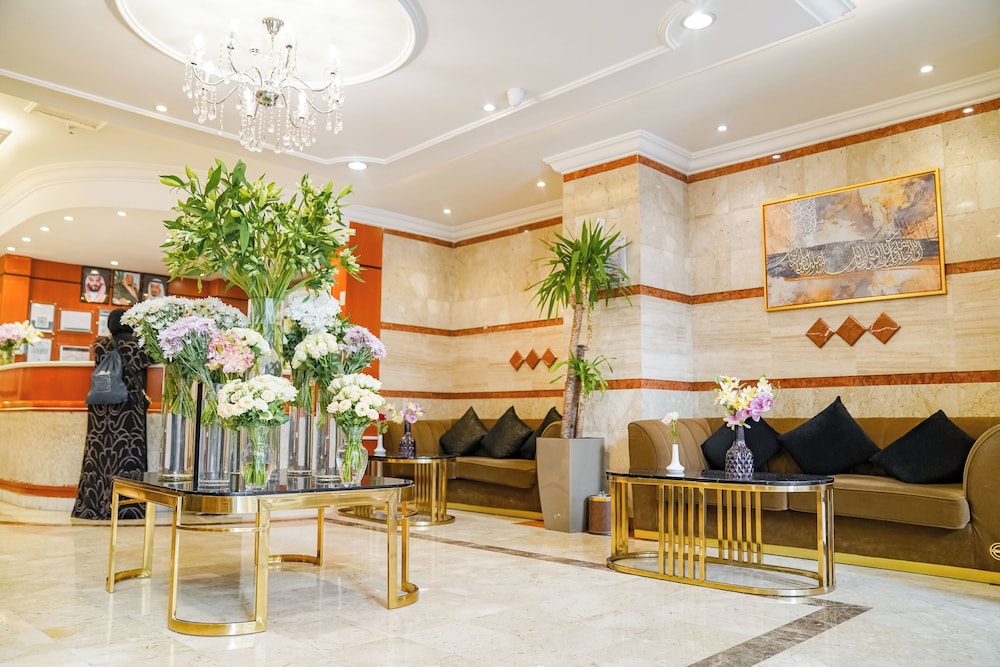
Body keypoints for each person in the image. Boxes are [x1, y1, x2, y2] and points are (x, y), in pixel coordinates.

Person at [72, 309, 152, 521]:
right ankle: (128, 508)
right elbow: (151, 361)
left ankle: (93, 506)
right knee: (128, 454)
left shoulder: (99, 345)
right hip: (128, 409)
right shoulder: (138, 346)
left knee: (98, 455)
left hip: (100, 410)